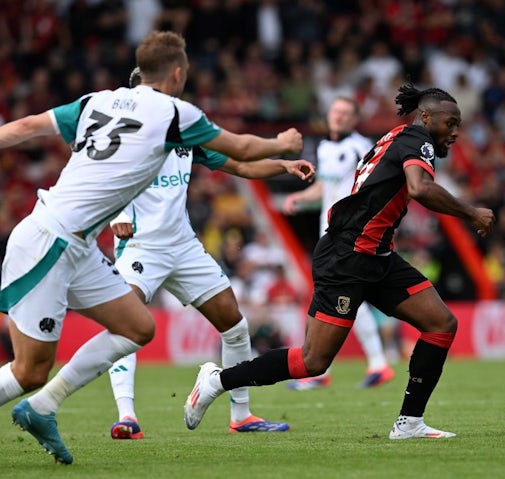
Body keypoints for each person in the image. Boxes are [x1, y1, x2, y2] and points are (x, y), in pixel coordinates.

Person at [0, 30, 302, 464]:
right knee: (29, 370)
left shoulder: (94, 102)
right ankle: (58, 404)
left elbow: (28, 126)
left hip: (80, 243)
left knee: (138, 328)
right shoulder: (174, 114)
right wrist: (282, 143)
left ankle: (45, 406)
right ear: (178, 73)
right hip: (54, 239)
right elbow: (240, 146)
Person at [183, 84, 495, 439]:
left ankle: (409, 422)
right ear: (425, 117)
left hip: (376, 255)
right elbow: (419, 188)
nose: (455, 131)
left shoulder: (399, 137)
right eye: (450, 122)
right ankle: (217, 380)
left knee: (441, 324)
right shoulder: (417, 140)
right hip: (347, 257)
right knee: (313, 361)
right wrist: (471, 213)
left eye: (459, 124)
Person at [108, 68, 314, 440]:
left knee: (234, 325)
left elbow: (238, 163)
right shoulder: (125, 133)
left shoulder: (187, 132)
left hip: (184, 247)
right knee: (126, 324)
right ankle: (127, 417)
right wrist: (117, 213)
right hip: (140, 246)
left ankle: (241, 415)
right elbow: (99, 173)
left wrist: (282, 165)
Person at [282, 96, 395, 390]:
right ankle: (376, 364)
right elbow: (325, 186)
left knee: (330, 298)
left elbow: (372, 186)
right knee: (344, 300)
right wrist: (300, 197)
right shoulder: (324, 147)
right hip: (327, 233)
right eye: (336, 111)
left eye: (346, 113)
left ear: (355, 119)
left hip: (346, 234)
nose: (339, 116)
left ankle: (320, 370)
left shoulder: (361, 147)